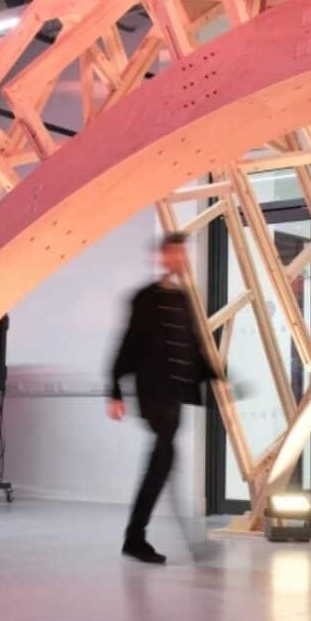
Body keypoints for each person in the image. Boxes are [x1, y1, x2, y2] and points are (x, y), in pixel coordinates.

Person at [109, 232, 222, 564]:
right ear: (161, 258)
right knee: (163, 460)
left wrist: (219, 378)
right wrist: (114, 391)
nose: (179, 260)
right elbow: (127, 345)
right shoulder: (145, 298)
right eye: (173, 254)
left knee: (164, 462)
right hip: (152, 393)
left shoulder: (184, 298)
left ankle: (143, 538)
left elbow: (194, 346)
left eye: (182, 254)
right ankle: (141, 538)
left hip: (175, 394)